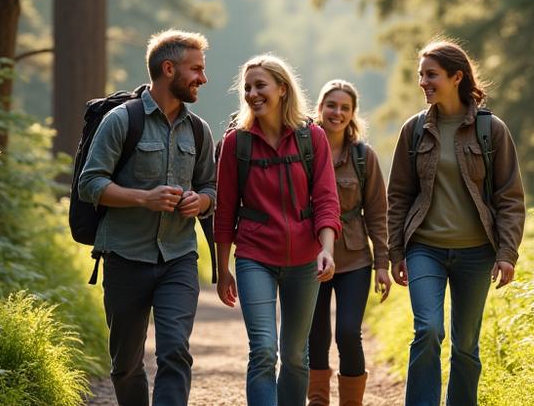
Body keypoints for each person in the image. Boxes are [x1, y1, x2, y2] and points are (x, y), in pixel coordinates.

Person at [78, 29, 216, 406]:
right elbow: (90, 184)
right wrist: (144, 198)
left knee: (175, 352)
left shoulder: (199, 131)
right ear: (168, 69)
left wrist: (199, 202)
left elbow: (211, 188)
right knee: (125, 364)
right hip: (125, 257)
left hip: (179, 259)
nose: (203, 78)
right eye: (196, 69)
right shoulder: (121, 121)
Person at [387, 40, 525, 406]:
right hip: (424, 249)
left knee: (466, 345)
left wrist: (507, 252)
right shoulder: (414, 130)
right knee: (428, 330)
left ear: (456, 76)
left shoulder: (490, 130)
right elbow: (398, 196)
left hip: (476, 252)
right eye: (421, 75)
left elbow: (510, 198)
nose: (423, 82)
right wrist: (395, 252)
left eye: (431, 75)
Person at [214, 54, 342, 406]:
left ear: (282, 89)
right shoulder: (235, 144)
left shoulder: (311, 138)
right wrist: (222, 268)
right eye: (247, 88)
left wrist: (326, 249)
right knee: (264, 350)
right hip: (255, 256)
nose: (252, 93)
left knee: (296, 355)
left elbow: (328, 200)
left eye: (261, 86)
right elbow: (224, 212)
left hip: (305, 259)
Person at [307, 80, 391, 406]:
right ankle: (317, 399)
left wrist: (382, 264)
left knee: (347, 333)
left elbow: (378, 213)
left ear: (353, 114)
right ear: (319, 108)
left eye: (345, 108)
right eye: (331, 105)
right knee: (315, 334)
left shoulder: (363, 156)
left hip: (355, 259)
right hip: (311, 256)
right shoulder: (304, 149)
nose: (337, 113)